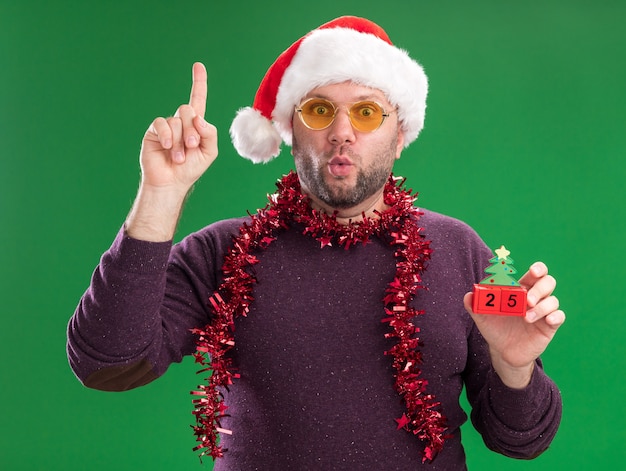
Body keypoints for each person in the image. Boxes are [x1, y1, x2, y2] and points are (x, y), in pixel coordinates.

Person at [67, 16, 565, 470]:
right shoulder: (224, 252)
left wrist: (514, 366)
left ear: (400, 136)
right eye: (320, 110)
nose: (342, 133)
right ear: (289, 130)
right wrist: (161, 193)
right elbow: (106, 362)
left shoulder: (457, 249)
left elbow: (519, 440)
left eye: (367, 112)